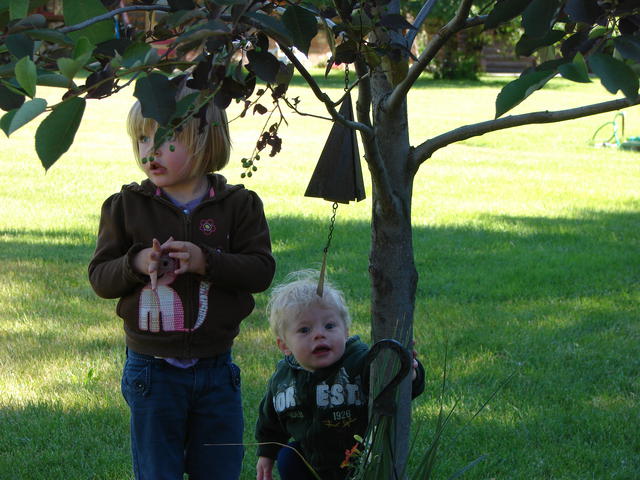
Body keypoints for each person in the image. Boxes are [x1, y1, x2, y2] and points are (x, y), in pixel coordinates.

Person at [88, 76, 276, 480]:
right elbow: (101, 278)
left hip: (215, 368)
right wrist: (136, 263)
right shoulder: (126, 207)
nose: (148, 152)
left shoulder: (239, 207)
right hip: (152, 373)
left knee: (219, 469)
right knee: (158, 472)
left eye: (164, 138)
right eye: (141, 140)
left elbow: (261, 271)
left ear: (205, 140)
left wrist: (207, 261)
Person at [255, 270, 425, 480]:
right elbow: (270, 420)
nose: (319, 334)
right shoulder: (283, 379)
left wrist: (409, 372)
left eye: (329, 326)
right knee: (289, 456)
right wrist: (267, 453)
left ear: (345, 331)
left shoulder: (360, 361)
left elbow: (394, 388)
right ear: (284, 345)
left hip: (360, 460)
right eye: (304, 330)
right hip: (313, 460)